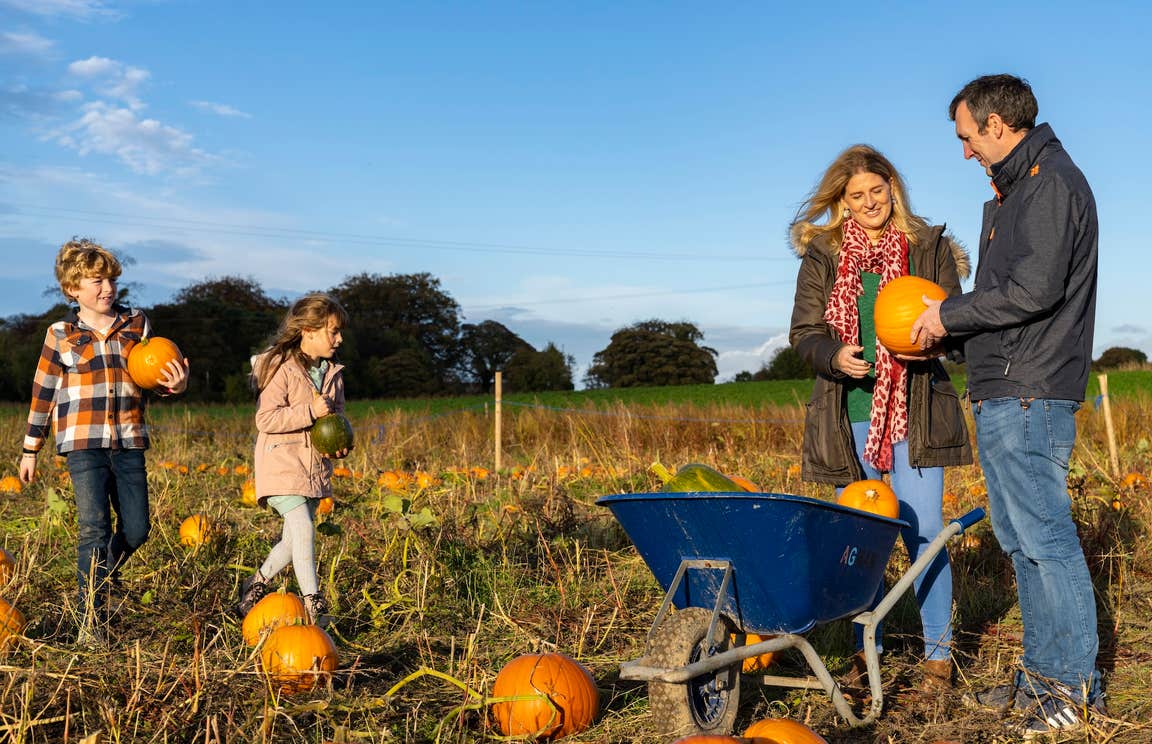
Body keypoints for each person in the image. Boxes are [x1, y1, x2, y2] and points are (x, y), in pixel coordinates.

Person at [911, 74, 1104, 735]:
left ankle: (1071, 694)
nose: (965, 151)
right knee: (1021, 542)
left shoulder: (1050, 184)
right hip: (1006, 385)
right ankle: (1042, 682)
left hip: (1031, 389)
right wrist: (952, 339)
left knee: (1046, 540)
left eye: (967, 137)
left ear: (997, 126)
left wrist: (947, 314)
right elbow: (1007, 304)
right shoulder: (1018, 190)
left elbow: (1033, 293)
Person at [788, 144, 972, 693]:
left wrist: (937, 342)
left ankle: (938, 654)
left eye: (877, 190)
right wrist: (833, 355)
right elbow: (804, 333)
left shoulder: (929, 248)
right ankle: (868, 644)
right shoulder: (825, 254)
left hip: (917, 411)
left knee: (925, 532)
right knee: (860, 541)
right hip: (851, 415)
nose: (869, 202)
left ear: (894, 187)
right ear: (841, 202)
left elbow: (959, 321)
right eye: (856, 195)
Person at [18, 238, 190, 646]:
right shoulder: (61, 333)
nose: (107, 289)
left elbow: (153, 378)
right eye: (96, 281)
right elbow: (44, 391)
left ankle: (98, 582)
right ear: (73, 289)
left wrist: (175, 387)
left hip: (129, 440)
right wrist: (30, 448)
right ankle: (88, 622)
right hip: (82, 443)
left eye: (111, 280)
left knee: (137, 528)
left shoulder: (137, 324)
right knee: (94, 529)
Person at [237, 293, 351, 628]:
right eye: (333, 331)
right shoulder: (280, 369)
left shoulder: (333, 373)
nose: (339, 338)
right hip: (281, 463)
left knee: (292, 541)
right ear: (308, 331)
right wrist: (309, 412)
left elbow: (337, 417)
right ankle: (314, 604)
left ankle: (255, 585)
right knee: (302, 527)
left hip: (313, 467)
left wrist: (339, 445)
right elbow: (266, 420)